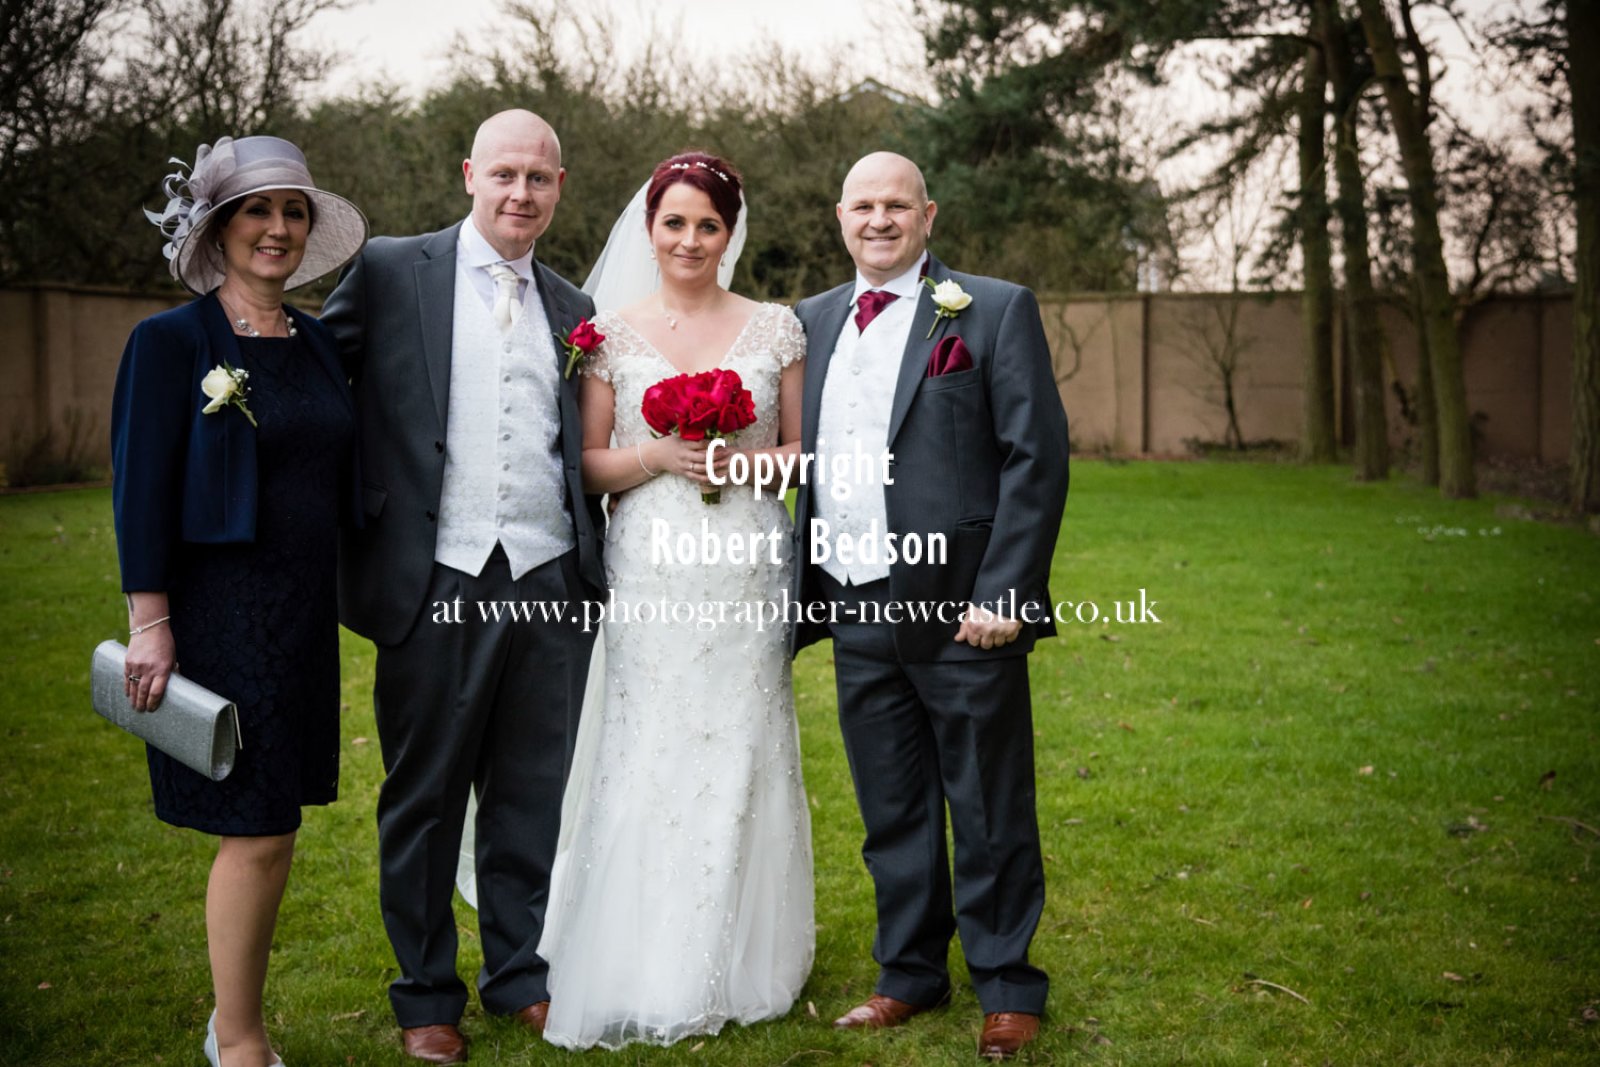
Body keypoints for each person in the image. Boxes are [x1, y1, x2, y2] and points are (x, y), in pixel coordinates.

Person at [458, 150, 814, 1049]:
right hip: (652, 565)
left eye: (708, 225)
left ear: (730, 234)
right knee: (649, 741)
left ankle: (735, 953)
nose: (690, 240)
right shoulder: (606, 333)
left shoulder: (777, 328)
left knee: (741, 742)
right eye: (675, 223)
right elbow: (586, 464)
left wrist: (741, 461)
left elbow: (799, 455)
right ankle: (639, 950)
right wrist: (656, 455)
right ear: (649, 230)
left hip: (745, 564)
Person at [318, 109, 605, 1065]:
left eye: (539, 178)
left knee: (529, 793)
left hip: (548, 578)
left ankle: (518, 974)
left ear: (559, 188)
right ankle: (425, 993)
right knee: (426, 795)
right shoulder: (391, 269)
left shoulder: (572, 305)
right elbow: (317, 385)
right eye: (505, 174)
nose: (521, 193)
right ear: (470, 173)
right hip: (432, 575)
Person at [790, 152, 1070, 1061]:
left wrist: (1007, 591)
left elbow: (1035, 457)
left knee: (988, 802)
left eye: (897, 205)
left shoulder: (991, 309)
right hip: (854, 603)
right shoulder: (810, 322)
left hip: (964, 611)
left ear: (928, 215)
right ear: (840, 216)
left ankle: (1007, 983)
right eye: (863, 205)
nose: (879, 220)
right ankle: (908, 973)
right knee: (893, 806)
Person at [112, 135, 367, 1067]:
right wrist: (150, 624)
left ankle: (234, 1025)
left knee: (277, 825)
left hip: (301, 616)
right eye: (257, 210)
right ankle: (239, 1039)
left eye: (293, 211)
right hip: (220, 616)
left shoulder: (318, 342)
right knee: (256, 829)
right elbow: (139, 490)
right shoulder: (171, 343)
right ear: (218, 229)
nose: (278, 228)